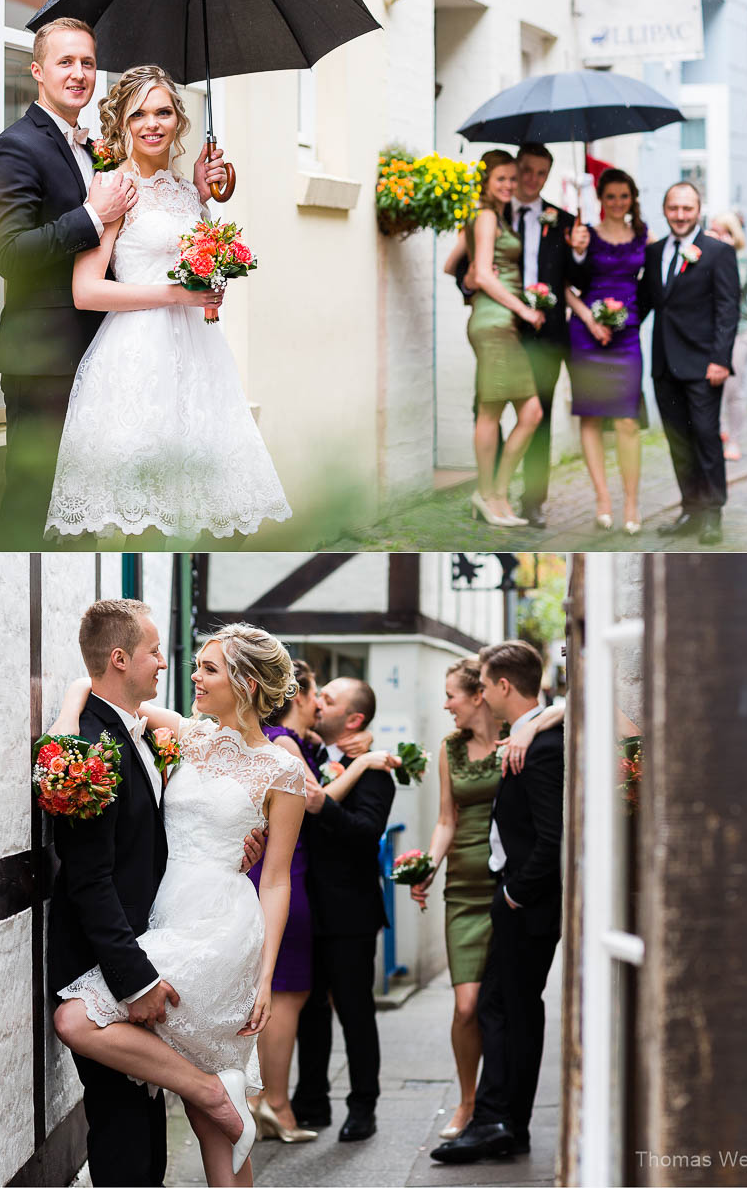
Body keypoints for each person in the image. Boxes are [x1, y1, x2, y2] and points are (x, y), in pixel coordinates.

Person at [51, 622, 308, 1185]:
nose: (191, 674)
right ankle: (218, 1095)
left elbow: (278, 880)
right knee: (214, 1124)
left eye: (208, 668)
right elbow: (97, 696)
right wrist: (70, 702)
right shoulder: (190, 736)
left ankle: (215, 1092)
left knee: (77, 1017)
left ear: (243, 683)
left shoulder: (283, 771)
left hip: (220, 927)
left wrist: (264, 979)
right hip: (166, 917)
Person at [44, 65, 288, 546]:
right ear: (123, 123)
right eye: (139, 114)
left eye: (163, 112)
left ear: (178, 120)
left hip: (198, 357)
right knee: (143, 516)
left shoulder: (183, 190)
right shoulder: (113, 187)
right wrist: (175, 294)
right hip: (136, 357)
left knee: (213, 509)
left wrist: (202, 199)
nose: (152, 123)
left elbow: (184, 255)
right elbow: (87, 291)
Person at [0, 20, 128, 549]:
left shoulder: (92, 147)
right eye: (65, 62)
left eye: (87, 62)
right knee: (33, 499)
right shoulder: (14, 148)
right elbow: (10, 255)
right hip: (42, 362)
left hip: (99, 353)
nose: (79, 73)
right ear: (37, 71)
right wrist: (90, 214)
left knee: (81, 506)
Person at [431, 641, 566, 1165]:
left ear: (504, 686)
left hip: (522, 903)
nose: (481, 694)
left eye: (485, 685)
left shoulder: (542, 744)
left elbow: (552, 838)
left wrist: (514, 892)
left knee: (509, 1011)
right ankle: (499, 1122)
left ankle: (499, 1122)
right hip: (508, 896)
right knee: (501, 1009)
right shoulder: (529, 734)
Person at [243, 658, 368, 1144]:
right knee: (286, 996)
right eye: (318, 695)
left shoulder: (288, 741)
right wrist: (366, 764)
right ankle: (273, 1103)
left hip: (279, 869)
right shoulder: (287, 743)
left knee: (279, 994)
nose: (321, 704)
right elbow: (314, 797)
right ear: (299, 696)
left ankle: (268, 1101)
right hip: (284, 871)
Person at [290, 677, 398, 1141]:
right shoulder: (308, 752)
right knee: (309, 1010)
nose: (317, 702)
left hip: (350, 911)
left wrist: (321, 805)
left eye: (328, 699)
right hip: (303, 904)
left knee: (355, 1012)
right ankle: (311, 1100)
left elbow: (364, 832)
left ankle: (363, 1106)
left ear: (353, 720)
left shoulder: (374, 771)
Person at [638, 181, 741, 545]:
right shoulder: (653, 253)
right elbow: (646, 304)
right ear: (665, 210)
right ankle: (690, 509)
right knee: (678, 441)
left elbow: (729, 310)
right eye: (673, 208)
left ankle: (712, 513)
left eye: (687, 208)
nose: (680, 215)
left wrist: (720, 360)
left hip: (702, 365)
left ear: (698, 210)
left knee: (705, 437)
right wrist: (610, 323)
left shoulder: (716, 252)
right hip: (664, 364)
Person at [452, 149, 545, 527]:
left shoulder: (489, 217)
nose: (509, 185)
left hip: (496, 323)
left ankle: (496, 493)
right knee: (495, 411)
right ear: (486, 183)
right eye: (501, 179)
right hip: (494, 324)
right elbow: (486, 276)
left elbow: (451, 265)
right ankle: (490, 494)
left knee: (530, 411)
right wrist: (523, 309)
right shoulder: (487, 215)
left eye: (511, 178)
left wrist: (471, 275)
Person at [565, 168, 650, 534]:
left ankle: (631, 501)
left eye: (624, 196)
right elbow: (565, 286)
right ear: (600, 199)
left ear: (632, 199)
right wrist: (589, 320)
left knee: (628, 420)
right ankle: (602, 498)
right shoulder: (587, 236)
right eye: (611, 196)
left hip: (627, 335)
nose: (618, 203)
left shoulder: (645, 237)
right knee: (592, 417)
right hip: (587, 334)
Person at [508, 143, 578, 528]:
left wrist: (581, 251)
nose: (532, 179)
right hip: (502, 332)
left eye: (540, 173)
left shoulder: (563, 221)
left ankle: (533, 500)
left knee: (541, 418)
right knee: (488, 410)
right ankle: (491, 493)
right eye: (526, 170)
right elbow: (472, 265)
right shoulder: (496, 212)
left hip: (548, 335)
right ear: (516, 169)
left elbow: (578, 280)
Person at [706, 211, 747, 462]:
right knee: (715, 388)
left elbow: (733, 290)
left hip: (740, 333)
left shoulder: (740, 259)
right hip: (714, 333)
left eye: (720, 232)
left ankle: (734, 440)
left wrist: (721, 253)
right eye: (712, 231)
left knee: (734, 388)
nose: (715, 236)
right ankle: (721, 432)